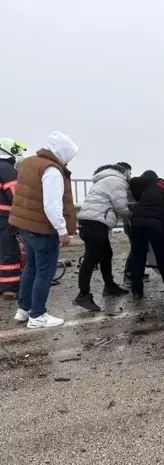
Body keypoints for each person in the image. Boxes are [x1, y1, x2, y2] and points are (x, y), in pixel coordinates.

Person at [9, 131, 78, 328]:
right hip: (42, 229)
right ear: (62, 152)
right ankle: (38, 315)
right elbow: (51, 205)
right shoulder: (52, 170)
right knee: (45, 272)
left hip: (25, 226)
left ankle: (24, 309)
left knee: (31, 268)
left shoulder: (30, 163)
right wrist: (63, 231)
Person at [73, 162, 133, 311]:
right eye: (129, 174)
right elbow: (122, 207)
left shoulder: (102, 181)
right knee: (90, 259)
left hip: (91, 222)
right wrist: (136, 214)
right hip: (95, 223)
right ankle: (83, 295)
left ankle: (109, 286)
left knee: (106, 253)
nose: (130, 177)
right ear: (124, 172)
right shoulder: (116, 181)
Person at [0, 138, 26, 300]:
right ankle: (9, 288)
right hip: (4, 218)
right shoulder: (7, 169)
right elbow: (16, 194)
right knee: (9, 252)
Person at [122, 169, 157, 286]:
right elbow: (129, 205)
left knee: (140, 248)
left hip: (134, 221)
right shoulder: (132, 187)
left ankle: (137, 272)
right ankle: (128, 274)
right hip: (131, 222)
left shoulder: (138, 186)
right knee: (136, 249)